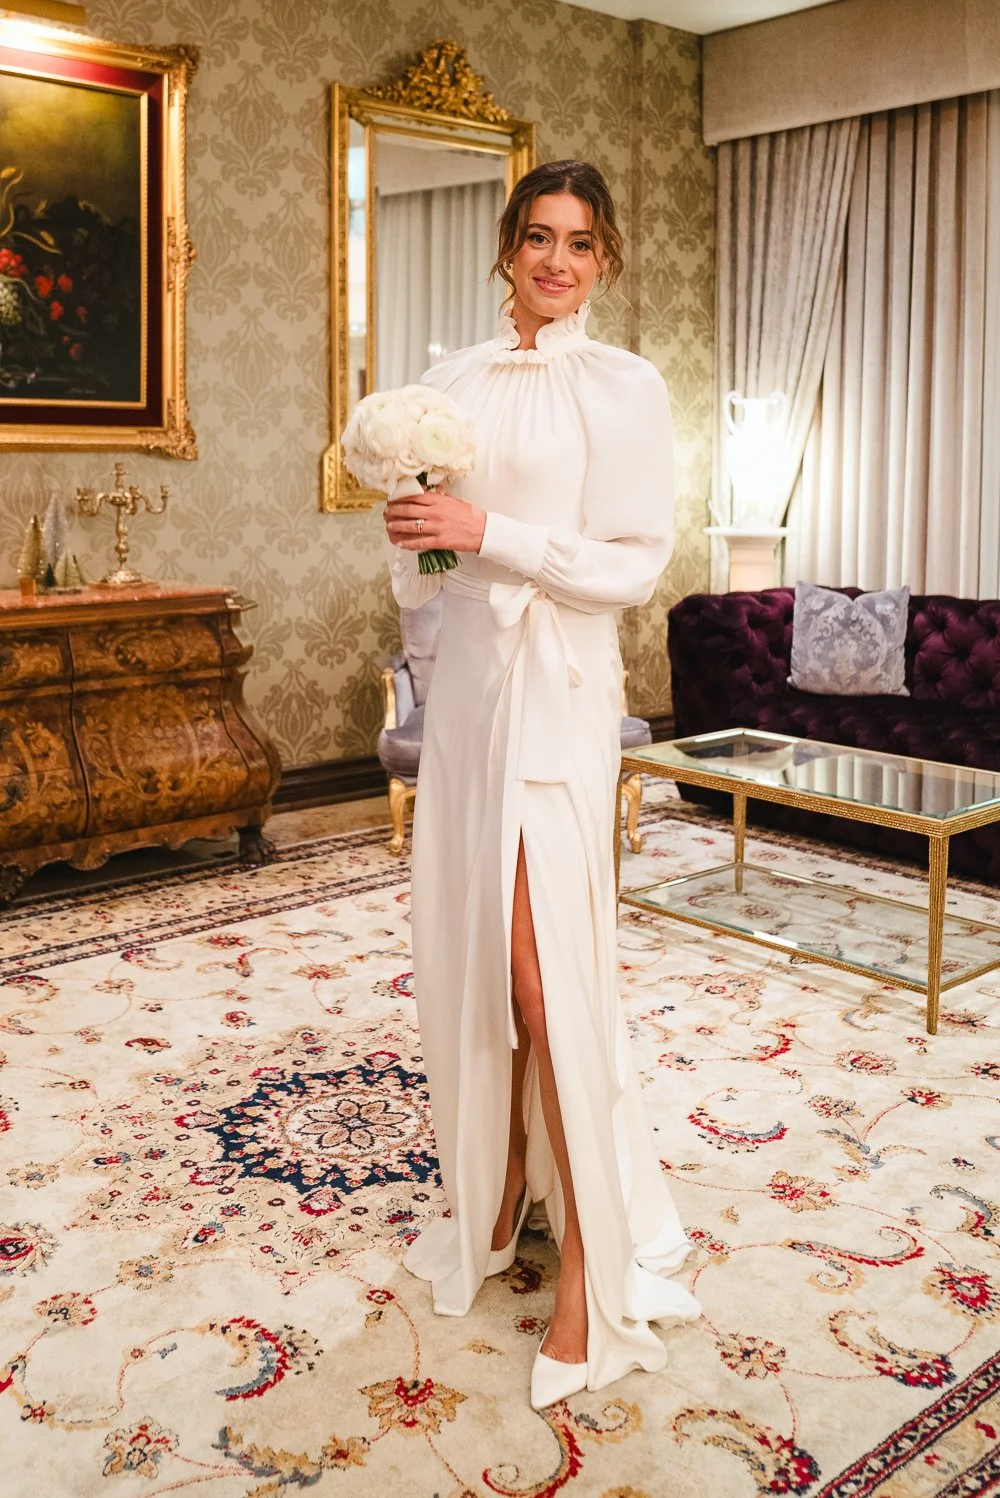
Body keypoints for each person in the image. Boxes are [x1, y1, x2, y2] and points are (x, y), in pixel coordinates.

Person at [384, 159, 700, 1410]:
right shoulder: (451, 380)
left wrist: (488, 536)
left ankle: (588, 1273)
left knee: (539, 966)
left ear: (605, 259)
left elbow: (630, 564)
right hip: (469, 691)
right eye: (536, 237)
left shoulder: (623, 386)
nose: (556, 259)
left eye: (579, 241)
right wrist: (417, 539)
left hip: (562, 699)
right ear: (507, 247)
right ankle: (502, 1190)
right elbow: (423, 563)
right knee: (471, 954)